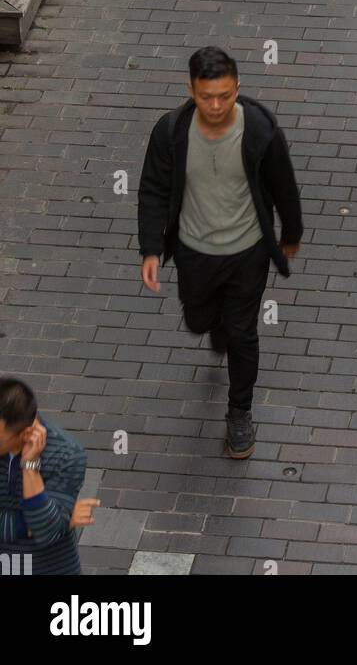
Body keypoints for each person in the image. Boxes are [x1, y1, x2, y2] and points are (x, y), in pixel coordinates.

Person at [138, 47, 303, 460]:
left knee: (244, 332)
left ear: (237, 88)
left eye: (225, 96)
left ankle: (240, 413)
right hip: (194, 251)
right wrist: (151, 249)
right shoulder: (171, 132)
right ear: (191, 90)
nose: (215, 106)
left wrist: (291, 233)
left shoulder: (260, 130)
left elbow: (284, 185)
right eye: (206, 96)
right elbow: (153, 190)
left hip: (248, 252)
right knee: (199, 319)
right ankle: (217, 328)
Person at [0, 378, 96, 574]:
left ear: (26, 435)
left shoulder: (67, 454)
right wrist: (30, 523)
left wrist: (30, 466)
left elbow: (47, 531)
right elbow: (51, 525)